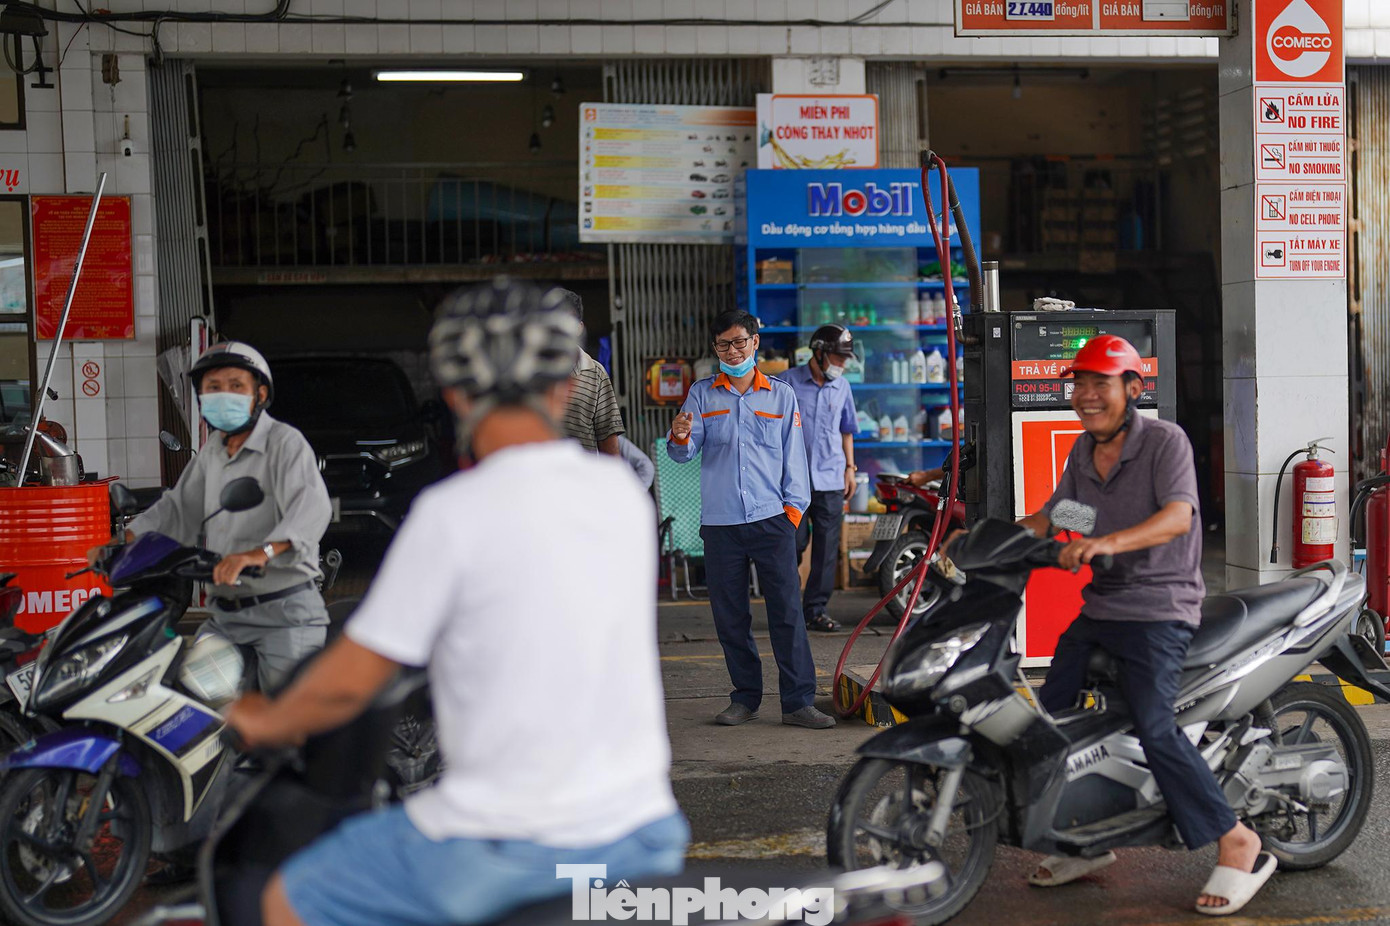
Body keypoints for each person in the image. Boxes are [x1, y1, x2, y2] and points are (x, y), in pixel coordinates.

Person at [225, 279, 686, 926]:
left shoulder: (454, 514)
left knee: (287, 898)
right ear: (564, 388)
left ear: (454, 394)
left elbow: (353, 677)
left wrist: (266, 720)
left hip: (505, 840)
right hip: (643, 829)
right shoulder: (621, 500)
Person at [1015, 335, 1271, 916]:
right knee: (1052, 718)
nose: (1086, 395)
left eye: (1099, 383)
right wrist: (992, 538)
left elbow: (1177, 516)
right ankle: (1085, 838)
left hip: (1161, 608)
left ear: (1132, 388)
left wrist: (1108, 543)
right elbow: (1063, 513)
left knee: (1155, 728)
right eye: (1079, 384)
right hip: (1103, 607)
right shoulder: (1084, 451)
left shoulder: (1164, 442)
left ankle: (1236, 840)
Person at [93, 342, 332, 691]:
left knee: (284, 717)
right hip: (226, 617)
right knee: (190, 707)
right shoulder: (213, 451)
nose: (224, 395)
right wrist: (122, 543)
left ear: (260, 394)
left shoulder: (285, 443)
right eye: (214, 387)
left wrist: (257, 554)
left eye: (236, 386)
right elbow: (179, 508)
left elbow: (311, 507)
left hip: (284, 615)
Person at [667, 310, 834, 730]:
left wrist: (791, 515)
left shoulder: (781, 396)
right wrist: (680, 435)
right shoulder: (701, 395)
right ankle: (745, 698)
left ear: (755, 342)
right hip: (721, 524)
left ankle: (798, 703)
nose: (732, 351)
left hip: (771, 520)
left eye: (739, 342)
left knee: (787, 613)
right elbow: (682, 454)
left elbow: (795, 459)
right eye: (723, 344)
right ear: (715, 348)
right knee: (730, 617)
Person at [775, 324, 859, 633]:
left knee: (826, 548)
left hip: (831, 478)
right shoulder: (787, 383)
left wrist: (850, 468)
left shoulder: (843, 387)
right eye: (838, 358)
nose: (842, 364)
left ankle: (815, 610)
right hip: (792, 481)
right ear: (819, 353)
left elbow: (847, 430)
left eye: (845, 359)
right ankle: (786, 606)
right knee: (792, 543)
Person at [557, 288, 624, 456]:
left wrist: (612, 472)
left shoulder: (596, 373)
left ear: (580, 328)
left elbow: (608, 438)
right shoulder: (527, 371)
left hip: (582, 471)